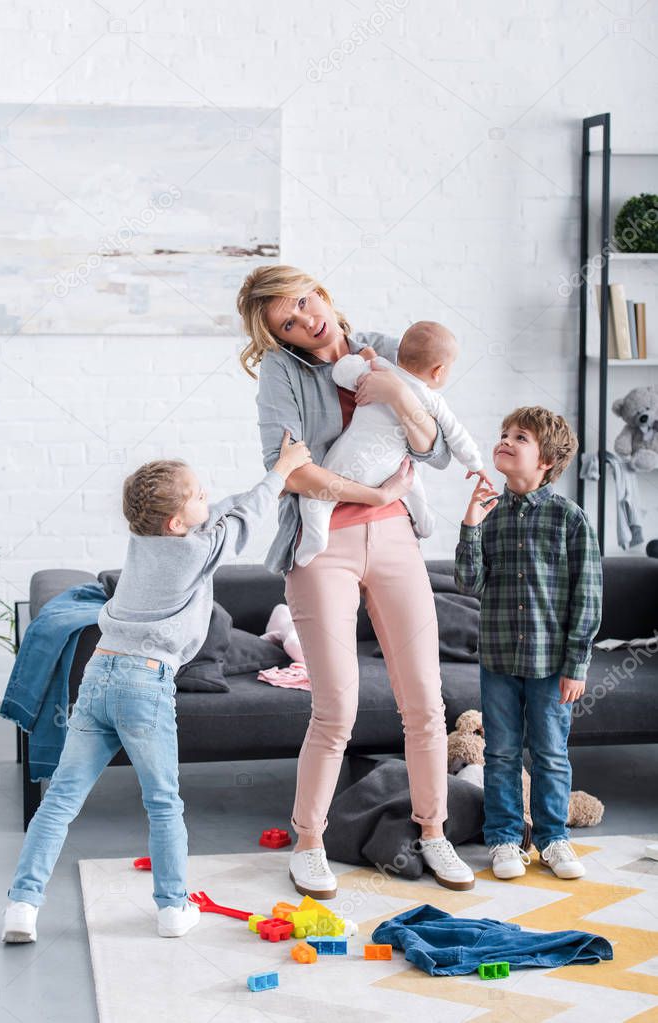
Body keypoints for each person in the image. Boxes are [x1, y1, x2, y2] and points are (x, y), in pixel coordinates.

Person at [1, 432, 311, 942]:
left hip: (100, 673)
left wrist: (244, 489)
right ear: (176, 522)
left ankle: (22, 906)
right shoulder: (195, 552)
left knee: (60, 800)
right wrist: (281, 472)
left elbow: (222, 512)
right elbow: (244, 519)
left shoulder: (145, 540)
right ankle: (172, 908)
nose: (206, 497)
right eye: (196, 495)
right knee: (164, 801)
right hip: (145, 682)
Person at [237, 263, 476, 899]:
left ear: (321, 293)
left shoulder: (389, 348)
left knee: (425, 701)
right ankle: (308, 842)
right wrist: (371, 490)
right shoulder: (282, 375)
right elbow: (293, 472)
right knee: (336, 706)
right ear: (278, 337)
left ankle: (433, 832)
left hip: (396, 535)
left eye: (304, 302)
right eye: (286, 322)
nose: (305, 320)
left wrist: (397, 394)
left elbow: (434, 446)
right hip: (323, 547)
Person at [455, 406, 602, 882]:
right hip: (497, 659)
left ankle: (553, 838)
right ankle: (502, 838)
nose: (505, 440)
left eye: (520, 437)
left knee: (551, 753)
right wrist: (471, 525)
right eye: (503, 433)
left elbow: (588, 594)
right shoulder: (490, 517)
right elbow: (468, 581)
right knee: (499, 752)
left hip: (551, 662)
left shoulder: (569, 518)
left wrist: (577, 663)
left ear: (546, 460)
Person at [295, 321, 488, 567]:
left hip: (351, 460)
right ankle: (424, 520)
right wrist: (476, 463)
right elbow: (456, 434)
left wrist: (361, 360)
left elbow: (339, 372)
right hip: (392, 468)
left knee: (315, 498)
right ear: (438, 371)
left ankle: (316, 536)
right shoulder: (432, 400)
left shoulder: (378, 368)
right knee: (410, 478)